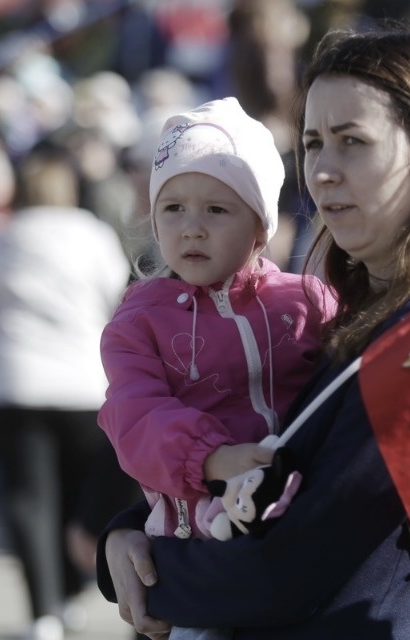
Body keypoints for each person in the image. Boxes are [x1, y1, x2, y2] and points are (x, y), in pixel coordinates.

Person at [96, 27, 410, 639]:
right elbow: (289, 464)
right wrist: (135, 528)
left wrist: (149, 565)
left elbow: (287, 566)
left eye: (353, 142)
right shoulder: (358, 306)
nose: (322, 171)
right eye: (314, 143)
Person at [96, 97, 337, 640]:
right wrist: (211, 457)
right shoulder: (140, 319)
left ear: (260, 227)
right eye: (173, 208)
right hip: (194, 549)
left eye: (217, 209)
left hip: (298, 536)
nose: (192, 228)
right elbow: (134, 416)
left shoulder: (307, 303)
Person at [0, 143, 134, 640]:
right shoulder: (94, 236)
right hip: (85, 384)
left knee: (29, 501)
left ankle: (43, 611)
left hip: (15, 385)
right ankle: (68, 594)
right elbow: (118, 306)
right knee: (74, 497)